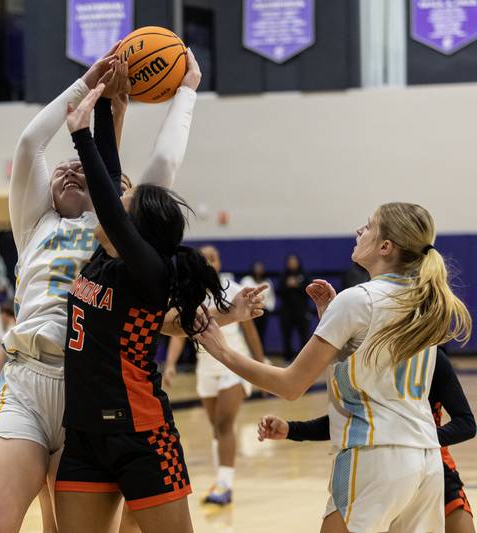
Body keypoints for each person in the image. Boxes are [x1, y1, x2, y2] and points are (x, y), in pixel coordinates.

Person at [0, 46, 210, 533]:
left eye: (83, 167)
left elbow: (153, 165)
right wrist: (87, 84)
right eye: (64, 169)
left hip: (91, 394)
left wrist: (183, 92)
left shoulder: (120, 231)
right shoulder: (34, 224)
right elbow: (30, 144)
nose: (72, 168)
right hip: (28, 383)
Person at [53, 81, 265, 533]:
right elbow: (110, 181)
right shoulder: (99, 261)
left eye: (121, 206)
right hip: (84, 434)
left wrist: (81, 133)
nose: (106, 203)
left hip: (141, 433)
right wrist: (110, 103)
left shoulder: (146, 271)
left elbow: (108, 203)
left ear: (134, 229)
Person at [195, 202, 472, 532]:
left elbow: (290, 385)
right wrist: (333, 318)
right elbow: (375, 368)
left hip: (372, 456)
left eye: (368, 226)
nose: (360, 231)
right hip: (426, 461)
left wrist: (223, 351)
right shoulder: (422, 302)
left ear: (386, 247)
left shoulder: (357, 300)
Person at [258, 348, 475, 533]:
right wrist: (291, 429)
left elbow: (466, 423)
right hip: (378, 465)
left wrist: (417, 437)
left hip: (435, 465)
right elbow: (353, 422)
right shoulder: (370, 356)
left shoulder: (433, 356)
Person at [164, 245, 267, 506]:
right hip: (205, 367)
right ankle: (220, 478)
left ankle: (225, 484)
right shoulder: (190, 293)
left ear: (220, 262)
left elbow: (251, 330)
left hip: (233, 363)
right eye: (204, 258)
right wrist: (170, 364)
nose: (209, 262)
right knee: (216, 427)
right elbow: (179, 332)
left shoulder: (231, 288)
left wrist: (261, 363)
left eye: (213, 258)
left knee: (224, 423)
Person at [277, 253, 310, 361]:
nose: (292, 264)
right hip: (287, 312)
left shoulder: (304, 275)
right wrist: (287, 285)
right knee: (286, 336)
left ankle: (304, 359)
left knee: (304, 336)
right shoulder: (283, 276)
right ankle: (287, 358)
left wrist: (297, 285)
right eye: (290, 262)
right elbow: (279, 291)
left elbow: (309, 291)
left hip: (301, 311)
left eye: (294, 262)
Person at [240, 260, 275, 341]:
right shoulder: (246, 280)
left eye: (261, 268)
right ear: (253, 269)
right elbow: (241, 295)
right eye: (257, 268)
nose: (258, 270)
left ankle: (260, 351)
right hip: (249, 310)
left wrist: (268, 308)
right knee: (249, 333)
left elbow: (271, 297)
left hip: (263, 311)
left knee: (261, 333)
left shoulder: (268, 281)